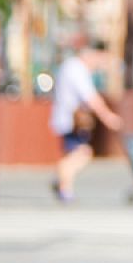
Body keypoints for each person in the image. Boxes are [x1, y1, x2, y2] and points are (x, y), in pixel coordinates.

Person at [49, 37, 122, 203]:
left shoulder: (72, 67)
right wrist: (108, 116)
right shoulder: (76, 69)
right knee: (81, 153)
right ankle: (63, 185)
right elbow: (91, 97)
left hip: (68, 118)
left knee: (75, 153)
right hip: (71, 120)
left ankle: (63, 182)